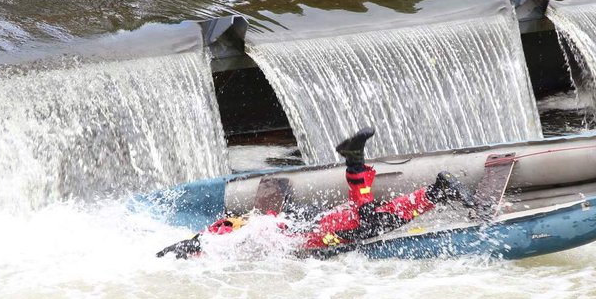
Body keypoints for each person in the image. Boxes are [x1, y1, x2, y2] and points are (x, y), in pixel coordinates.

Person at [157, 126, 475, 259]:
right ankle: (435, 191)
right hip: (291, 229)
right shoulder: (210, 243)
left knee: (366, 222)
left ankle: (357, 163)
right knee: (365, 219)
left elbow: (251, 237)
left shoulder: (211, 246)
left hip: (293, 233)